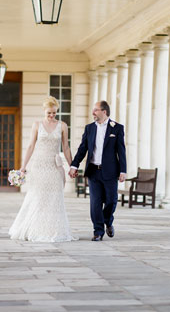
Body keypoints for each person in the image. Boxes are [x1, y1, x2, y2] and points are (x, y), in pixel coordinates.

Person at [9, 96, 77, 242]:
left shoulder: (63, 126)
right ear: (44, 111)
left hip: (54, 166)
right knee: (37, 197)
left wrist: (72, 166)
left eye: (54, 113)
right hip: (39, 165)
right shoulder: (37, 125)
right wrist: (23, 167)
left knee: (54, 199)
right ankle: (35, 229)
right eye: (49, 113)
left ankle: (52, 230)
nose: (52, 116)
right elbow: (31, 146)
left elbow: (65, 147)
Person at [69, 100, 126, 241]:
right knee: (95, 203)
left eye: (96, 110)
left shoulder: (117, 128)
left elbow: (121, 150)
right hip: (93, 171)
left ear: (104, 111)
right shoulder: (89, 128)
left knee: (111, 201)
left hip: (111, 172)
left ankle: (108, 221)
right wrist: (74, 165)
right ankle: (98, 231)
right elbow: (82, 149)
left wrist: (123, 170)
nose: (93, 112)